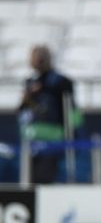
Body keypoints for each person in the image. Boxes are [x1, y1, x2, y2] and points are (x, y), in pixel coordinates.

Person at [17, 45, 76, 184]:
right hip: (31, 138)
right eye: (36, 57)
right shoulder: (30, 82)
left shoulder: (61, 82)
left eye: (42, 58)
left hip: (53, 138)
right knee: (30, 178)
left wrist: (43, 87)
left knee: (46, 178)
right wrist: (28, 97)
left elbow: (69, 107)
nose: (39, 61)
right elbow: (22, 108)